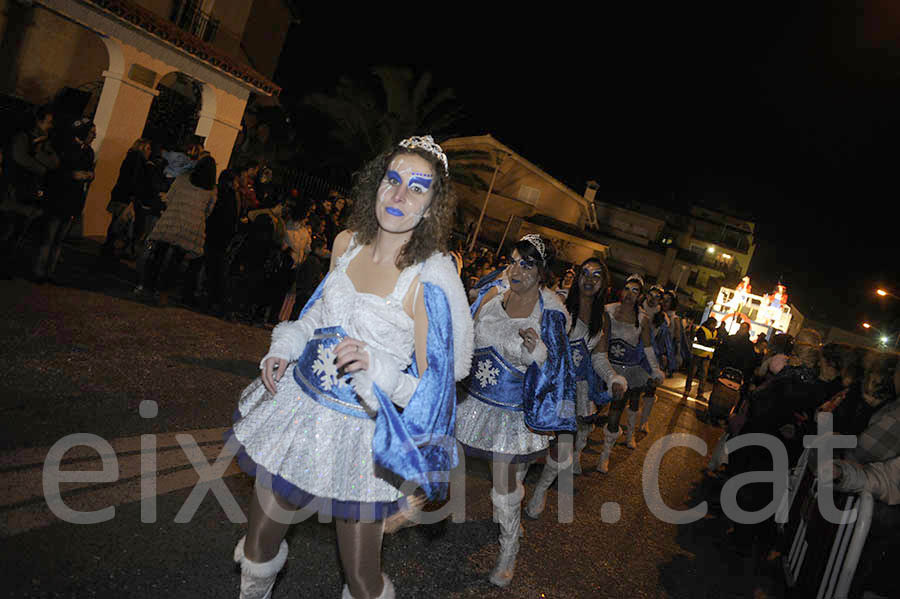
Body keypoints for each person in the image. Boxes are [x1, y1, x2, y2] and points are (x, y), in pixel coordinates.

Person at [227, 135, 473, 599]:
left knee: (361, 581)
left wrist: (378, 369)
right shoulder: (347, 243)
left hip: (363, 440)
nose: (399, 195)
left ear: (432, 206)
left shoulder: (426, 282)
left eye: (417, 188)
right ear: (376, 184)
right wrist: (286, 343)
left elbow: (433, 389)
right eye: (393, 179)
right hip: (298, 414)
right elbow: (318, 314)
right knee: (258, 546)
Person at [455, 234, 575, 587]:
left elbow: (555, 368)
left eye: (527, 263)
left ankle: (509, 549)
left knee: (505, 484)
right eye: (513, 260)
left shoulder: (551, 313)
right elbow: (468, 336)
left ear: (542, 272)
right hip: (475, 401)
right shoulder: (493, 294)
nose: (516, 269)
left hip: (514, 411)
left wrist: (536, 351)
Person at [592, 274, 665, 472]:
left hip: (626, 372)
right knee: (589, 410)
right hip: (603, 366)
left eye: (635, 291)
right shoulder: (607, 311)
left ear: (639, 296)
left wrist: (656, 370)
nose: (629, 294)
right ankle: (577, 448)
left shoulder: (643, 319)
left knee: (616, 412)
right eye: (627, 289)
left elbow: (648, 348)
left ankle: (605, 456)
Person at [141, 154, 216, 304]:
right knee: (175, 263)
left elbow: (169, 197)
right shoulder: (211, 189)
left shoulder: (183, 178)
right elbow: (209, 210)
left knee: (158, 255)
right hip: (191, 228)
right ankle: (164, 294)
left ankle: (147, 288)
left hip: (172, 221)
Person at [560, 257, 612, 474]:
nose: (589, 279)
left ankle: (571, 460)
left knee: (570, 435)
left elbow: (599, 357)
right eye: (585, 273)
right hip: (554, 381)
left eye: (596, 275)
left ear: (603, 284)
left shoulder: (602, 318)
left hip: (580, 383)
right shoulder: (560, 303)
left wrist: (612, 378)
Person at [32, 118, 95, 283]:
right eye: (91, 133)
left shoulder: (89, 152)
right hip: (58, 197)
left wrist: (89, 175)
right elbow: (54, 173)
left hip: (73, 200)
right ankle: (38, 271)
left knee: (60, 239)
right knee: (49, 236)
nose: (94, 136)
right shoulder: (65, 147)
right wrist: (73, 175)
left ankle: (50, 272)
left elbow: (89, 171)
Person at [1, 105, 59, 277]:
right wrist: (40, 167)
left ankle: (7, 265)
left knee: (18, 231)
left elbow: (54, 163)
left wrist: (41, 151)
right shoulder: (23, 137)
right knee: (8, 228)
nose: (51, 126)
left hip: (30, 191)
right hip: (15, 190)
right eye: (49, 122)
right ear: (39, 121)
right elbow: (21, 159)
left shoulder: (43, 141)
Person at [102, 138, 151, 259]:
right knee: (122, 225)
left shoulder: (130, 157)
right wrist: (134, 197)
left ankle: (108, 249)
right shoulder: (139, 160)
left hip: (120, 195)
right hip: (127, 197)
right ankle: (113, 250)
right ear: (142, 148)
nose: (150, 152)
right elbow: (135, 180)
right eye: (148, 148)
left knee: (116, 223)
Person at [204, 169, 241, 314]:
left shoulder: (219, 192)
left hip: (213, 233)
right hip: (221, 237)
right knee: (217, 270)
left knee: (212, 268)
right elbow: (229, 219)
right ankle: (214, 301)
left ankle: (210, 299)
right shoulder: (230, 196)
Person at [682, 317, 719, 400]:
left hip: (707, 357)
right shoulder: (701, 330)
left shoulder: (715, 332)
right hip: (697, 355)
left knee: (703, 376)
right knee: (692, 373)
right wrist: (713, 342)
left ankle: (700, 393)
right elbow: (703, 342)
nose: (715, 326)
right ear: (710, 324)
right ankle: (687, 390)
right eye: (714, 324)